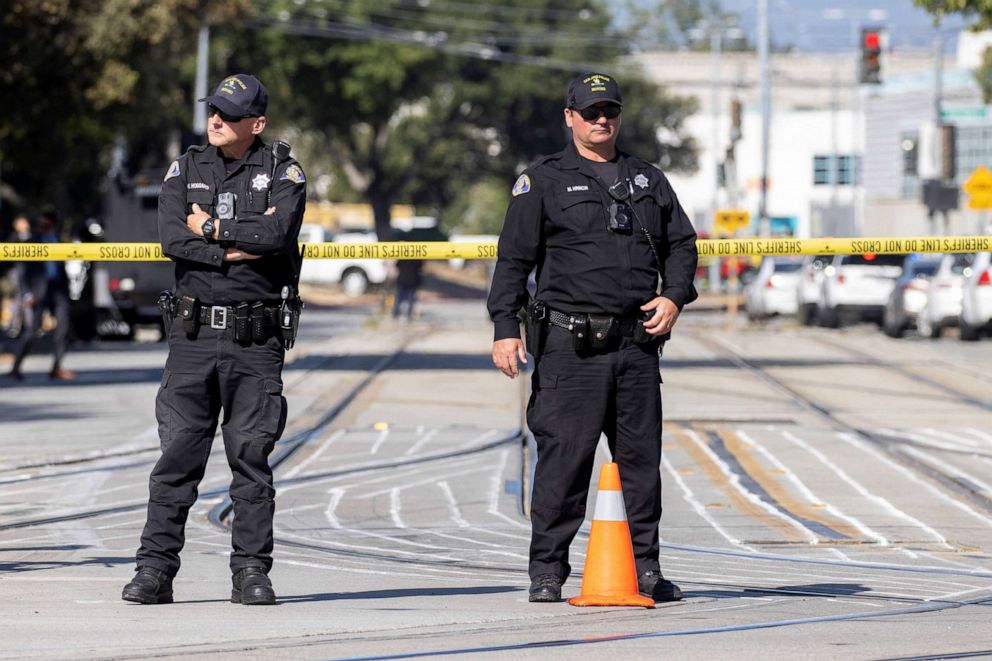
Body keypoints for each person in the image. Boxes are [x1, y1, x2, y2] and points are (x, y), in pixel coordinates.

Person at [487, 72, 698, 603]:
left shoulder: (648, 179)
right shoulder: (543, 181)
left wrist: (673, 297)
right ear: (570, 118)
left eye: (609, 112)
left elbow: (683, 245)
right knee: (564, 462)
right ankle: (548, 572)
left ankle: (645, 569)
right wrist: (505, 330)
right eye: (590, 112)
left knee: (641, 464)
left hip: (636, 347)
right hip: (570, 348)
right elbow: (513, 261)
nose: (601, 120)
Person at [122, 74, 306, 606]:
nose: (216, 120)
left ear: (258, 124)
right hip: (193, 335)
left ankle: (251, 571)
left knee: (250, 458)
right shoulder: (187, 167)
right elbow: (171, 240)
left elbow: (277, 238)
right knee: (177, 458)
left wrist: (212, 230)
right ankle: (154, 571)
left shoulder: (283, 171)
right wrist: (236, 244)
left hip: (255, 340)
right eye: (213, 111)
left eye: (229, 114)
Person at [8, 212, 76, 381]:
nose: (42, 224)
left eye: (45, 221)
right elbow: (22, 271)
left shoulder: (57, 239)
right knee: (32, 331)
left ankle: (56, 367)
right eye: (40, 222)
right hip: (38, 291)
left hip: (58, 289)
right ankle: (16, 366)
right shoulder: (31, 242)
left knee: (64, 328)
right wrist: (26, 293)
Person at [3, 214, 34, 339]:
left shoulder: (34, 237)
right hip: (17, 272)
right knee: (17, 299)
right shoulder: (13, 238)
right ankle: (15, 326)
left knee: (29, 299)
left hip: (31, 273)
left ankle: (31, 326)